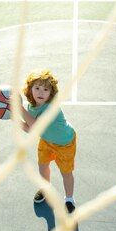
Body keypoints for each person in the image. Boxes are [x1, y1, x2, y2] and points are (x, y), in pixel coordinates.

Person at [19, 69, 77, 213]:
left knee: (66, 173)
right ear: (30, 89)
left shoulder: (51, 108)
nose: (41, 92)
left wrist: (18, 108)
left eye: (45, 89)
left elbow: (34, 125)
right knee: (43, 166)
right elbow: (32, 130)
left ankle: (69, 199)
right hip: (46, 141)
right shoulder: (31, 107)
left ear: (51, 94)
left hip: (65, 143)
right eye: (37, 88)